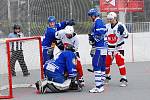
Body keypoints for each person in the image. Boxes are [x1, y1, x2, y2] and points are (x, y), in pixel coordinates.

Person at [105, 12, 128, 87]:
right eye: (108, 19)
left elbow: (126, 36)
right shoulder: (107, 26)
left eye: (111, 19)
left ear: (115, 18)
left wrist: (123, 32)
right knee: (107, 63)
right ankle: (107, 76)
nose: (109, 21)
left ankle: (124, 78)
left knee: (120, 62)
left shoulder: (121, 25)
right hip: (109, 48)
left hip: (119, 47)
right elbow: (104, 35)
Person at [88, 8, 107, 93]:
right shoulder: (100, 21)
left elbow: (101, 32)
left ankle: (99, 86)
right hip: (103, 48)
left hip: (99, 48)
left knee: (96, 65)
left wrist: (93, 36)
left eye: (90, 16)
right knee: (102, 66)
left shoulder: (98, 22)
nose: (90, 17)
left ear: (93, 15)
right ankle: (101, 83)